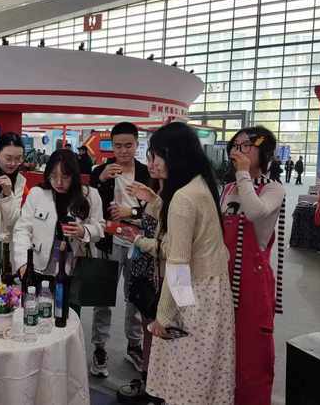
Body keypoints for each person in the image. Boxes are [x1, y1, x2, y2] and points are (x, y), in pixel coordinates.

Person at [125, 122, 235, 405]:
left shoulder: (183, 197)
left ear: (174, 155)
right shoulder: (200, 184)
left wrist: (163, 317)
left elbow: (178, 264)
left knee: (185, 377)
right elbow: (186, 242)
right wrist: (156, 202)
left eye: (156, 155)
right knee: (205, 376)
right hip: (211, 292)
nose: (151, 163)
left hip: (193, 294)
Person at [224, 126, 286, 405]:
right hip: (223, 276)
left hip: (253, 282)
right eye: (235, 145)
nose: (238, 150)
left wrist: (243, 174)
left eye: (246, 145)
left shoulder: (273, 188)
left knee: (251, 353)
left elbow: (254, 211)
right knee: (223, 347)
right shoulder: (227, 189)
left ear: (265, 152)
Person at [89, 121, 151, 377]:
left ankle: (134, 345)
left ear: (137, 144)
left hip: (138, 242)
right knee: (103, 296)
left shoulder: (147, 173)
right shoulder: (100, 171)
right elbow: (90, 204)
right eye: (118, 146)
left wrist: (132, 212)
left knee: (135, 296)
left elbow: (155, 208)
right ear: (111, 146)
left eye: (128, 145)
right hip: (109, 240)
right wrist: (101, 180)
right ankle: (99, 347)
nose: (123, 151)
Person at [13, 149, 104, 309]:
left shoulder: (90, 195)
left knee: (68, 315)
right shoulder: (37, 194)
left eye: (65, 177)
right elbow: (22, 229)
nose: (59, 182)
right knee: (35, 312)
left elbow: (100, 228)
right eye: (53, 176)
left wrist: (83, 231)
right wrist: (22, 263)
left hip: (73, 270)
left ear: (74, 175)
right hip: (38, 268)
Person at [116, 157, 164, 405]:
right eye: (151, 158)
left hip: (161, 273)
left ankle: (155, 384)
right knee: (148, 325)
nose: (152, 164)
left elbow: (168, 245)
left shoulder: (178, 195)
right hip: (144, 268)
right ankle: (148, 378)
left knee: (159, 328)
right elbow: (149, 221)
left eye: (158, 158)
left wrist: (137, 239)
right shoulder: (155, 189)